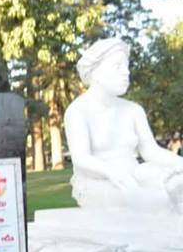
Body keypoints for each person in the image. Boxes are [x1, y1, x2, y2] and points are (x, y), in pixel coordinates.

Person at [64, 37, 183, 213]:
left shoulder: (134, 110)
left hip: (134, 175)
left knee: (175, 181)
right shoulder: (78, 111)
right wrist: (113, 173)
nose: (126, 73)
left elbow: (151, 151)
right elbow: (81, 158)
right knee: (153, 200)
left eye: (127, 67)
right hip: (99, 182)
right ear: (95, 72)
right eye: (117, 66)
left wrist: (180, 164)